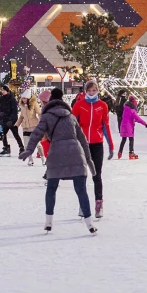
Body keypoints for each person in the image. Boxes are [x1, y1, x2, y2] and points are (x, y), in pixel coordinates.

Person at [19, 88, 97, 234]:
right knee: (81, 190)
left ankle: (48, 223)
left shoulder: (47, 116)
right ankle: (90, 224)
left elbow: (36, 134)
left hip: (56, 154)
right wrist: (88, 159)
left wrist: (29, 150)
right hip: (75, 153)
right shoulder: (71, 116)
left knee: (51, 189)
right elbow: (82, 139)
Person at [71, 80, 112, 219]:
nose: (91, 93)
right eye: (89, 91)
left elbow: (106, 126)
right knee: (81, 175)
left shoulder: (103, 106)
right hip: (82, 145)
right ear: (85, 91)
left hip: (97, 144)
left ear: (97, 91)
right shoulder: (79, 105)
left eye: (94, 90)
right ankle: (83, 205)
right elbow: (72, 125)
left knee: (97, 175)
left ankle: (99, 205)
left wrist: (111, 145)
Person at [15, 90, 42, 166]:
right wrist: (16, 125)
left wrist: (42, 123)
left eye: (25, 98)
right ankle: (30, 160)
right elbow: (21, 116)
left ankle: (43, 159)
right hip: (25, 127)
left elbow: (39, 113)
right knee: (27, 146)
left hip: (34, 126)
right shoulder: (22, 106)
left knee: (38, 144)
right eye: (22, 98)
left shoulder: (34, 104)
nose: (23, 100)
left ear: (28, 98)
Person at [0, 86, 24, 156]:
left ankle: (21, 148)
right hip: (4, 119)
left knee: (16, 135)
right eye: (2, 90)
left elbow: (14, 111)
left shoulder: (12, 99)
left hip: (12, 120)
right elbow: (1, 108)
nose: (2, 91)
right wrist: (0, 113)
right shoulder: (2, 98)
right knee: (3, 134)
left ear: (7, 91)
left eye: (3, 90)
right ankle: (6, 147)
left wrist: (11, 120)